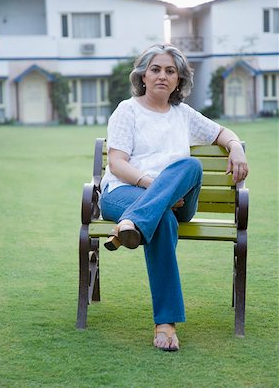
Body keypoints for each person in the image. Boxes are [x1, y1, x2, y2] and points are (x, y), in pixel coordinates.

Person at [100, 43, 249, 352]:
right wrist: (155, 188)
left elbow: (220, 132)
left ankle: (133, 224)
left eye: (170, 71)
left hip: (168, 205)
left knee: (191, 165)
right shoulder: (127, 111)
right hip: (123, 193)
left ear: (179, 79)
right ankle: (166, 324)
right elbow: (117, 164)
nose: (162, 76)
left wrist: (235, 146)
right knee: (163, 219)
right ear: (142, 75)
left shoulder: (183, 114)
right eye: (155, 69)